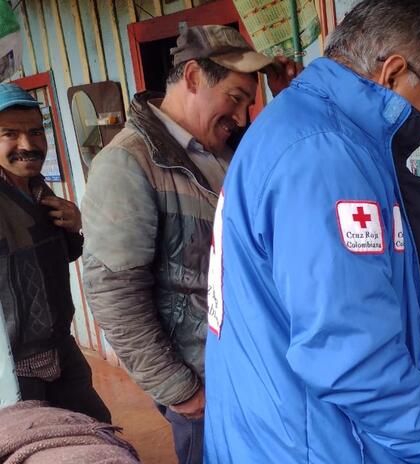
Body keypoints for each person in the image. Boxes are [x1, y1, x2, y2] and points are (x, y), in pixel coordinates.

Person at [203, 1, 420, 463]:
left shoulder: (304, 126)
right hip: (308, 443)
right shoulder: (325, 154)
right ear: (393, 73)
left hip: (283, 427)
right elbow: (348, 348)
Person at [81, 25, 293, 464]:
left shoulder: (222, 152)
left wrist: (287, 101)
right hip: (202, 387)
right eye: (235, 98)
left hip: (245, 371)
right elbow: (114, 294)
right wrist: (181, 391)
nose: (240, 114)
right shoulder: (127, 162)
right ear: (193, 77)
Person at [0, 83, 110, 423]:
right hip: (15, 364)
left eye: (35, 131)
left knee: (97, 427)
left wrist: (74, 224)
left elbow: (61, 256)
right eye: (9, 134)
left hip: (61, 345)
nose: (27, 145)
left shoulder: (37, 189)